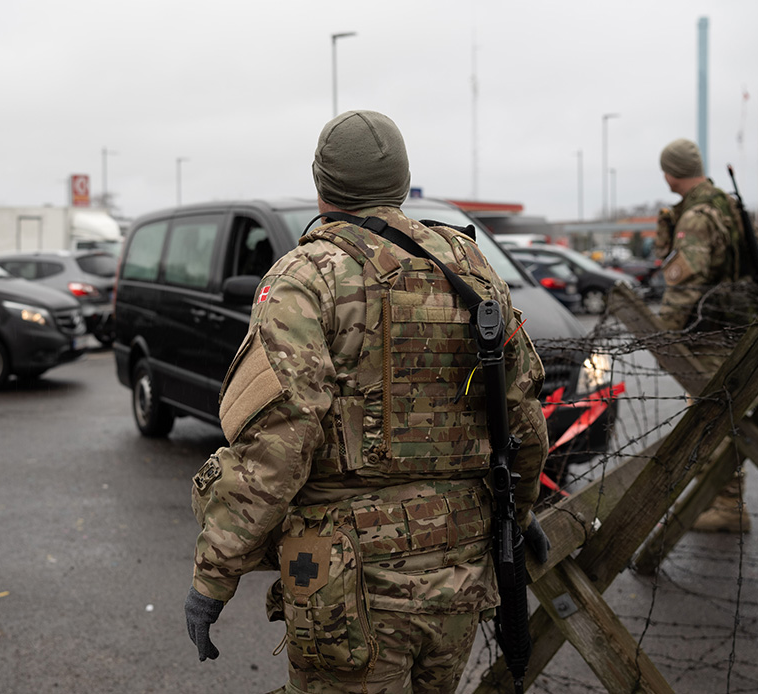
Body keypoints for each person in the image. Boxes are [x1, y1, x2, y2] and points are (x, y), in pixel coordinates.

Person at [184, 111, 550, 693]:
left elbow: (277, 448)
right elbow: (524, 419)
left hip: (348, 585)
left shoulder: (306, 278)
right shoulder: (469, 267)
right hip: (456, 571)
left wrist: (213, 576)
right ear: (402, 182)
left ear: (322, 185)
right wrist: (520, 514)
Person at [655, 138, 758, 533]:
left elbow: (685, 284)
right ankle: (719, 497)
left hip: (710, 334)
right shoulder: (730, 207)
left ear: (671, 172)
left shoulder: (697, 216)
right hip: (744, 328)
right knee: (728, 416)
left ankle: (726, 504)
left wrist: (662, 337)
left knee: (711, 419)